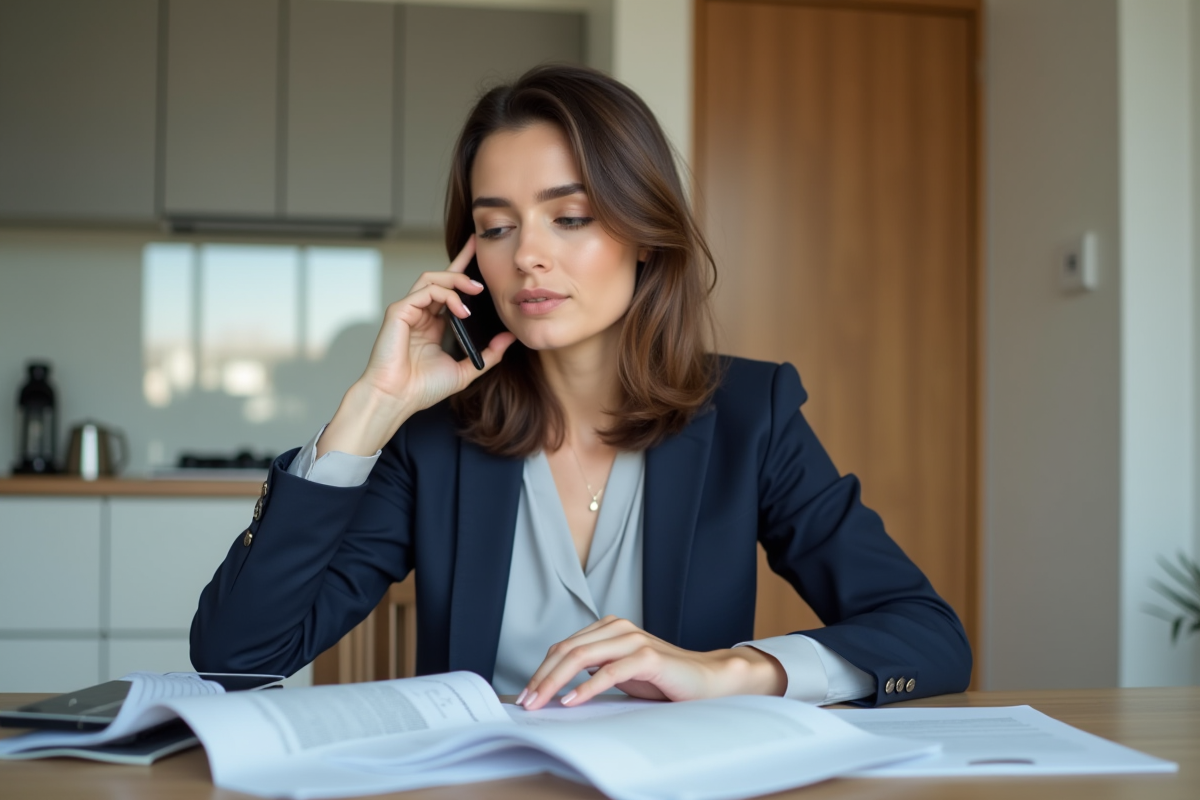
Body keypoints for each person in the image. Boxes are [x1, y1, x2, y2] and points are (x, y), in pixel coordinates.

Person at [191, 64, 972, 710]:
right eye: (496, 227)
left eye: (569, 217)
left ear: (643, 232)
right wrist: (371, 409)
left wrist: (729, 671)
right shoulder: (433, 437)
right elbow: (238, 657)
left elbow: (928, 636)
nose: (528, 255)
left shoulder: (749, 417)